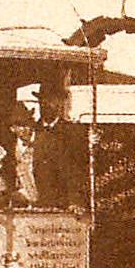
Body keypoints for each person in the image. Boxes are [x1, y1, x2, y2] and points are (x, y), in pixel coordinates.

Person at [31, 75, 89, 209]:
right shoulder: (33, 130)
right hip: (37, 205)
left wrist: (75, 201)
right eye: (42, 101)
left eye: (51, 101)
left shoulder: (73, 133)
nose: (46, 105)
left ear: (60, 103)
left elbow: (76, 170)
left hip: (63, 206)